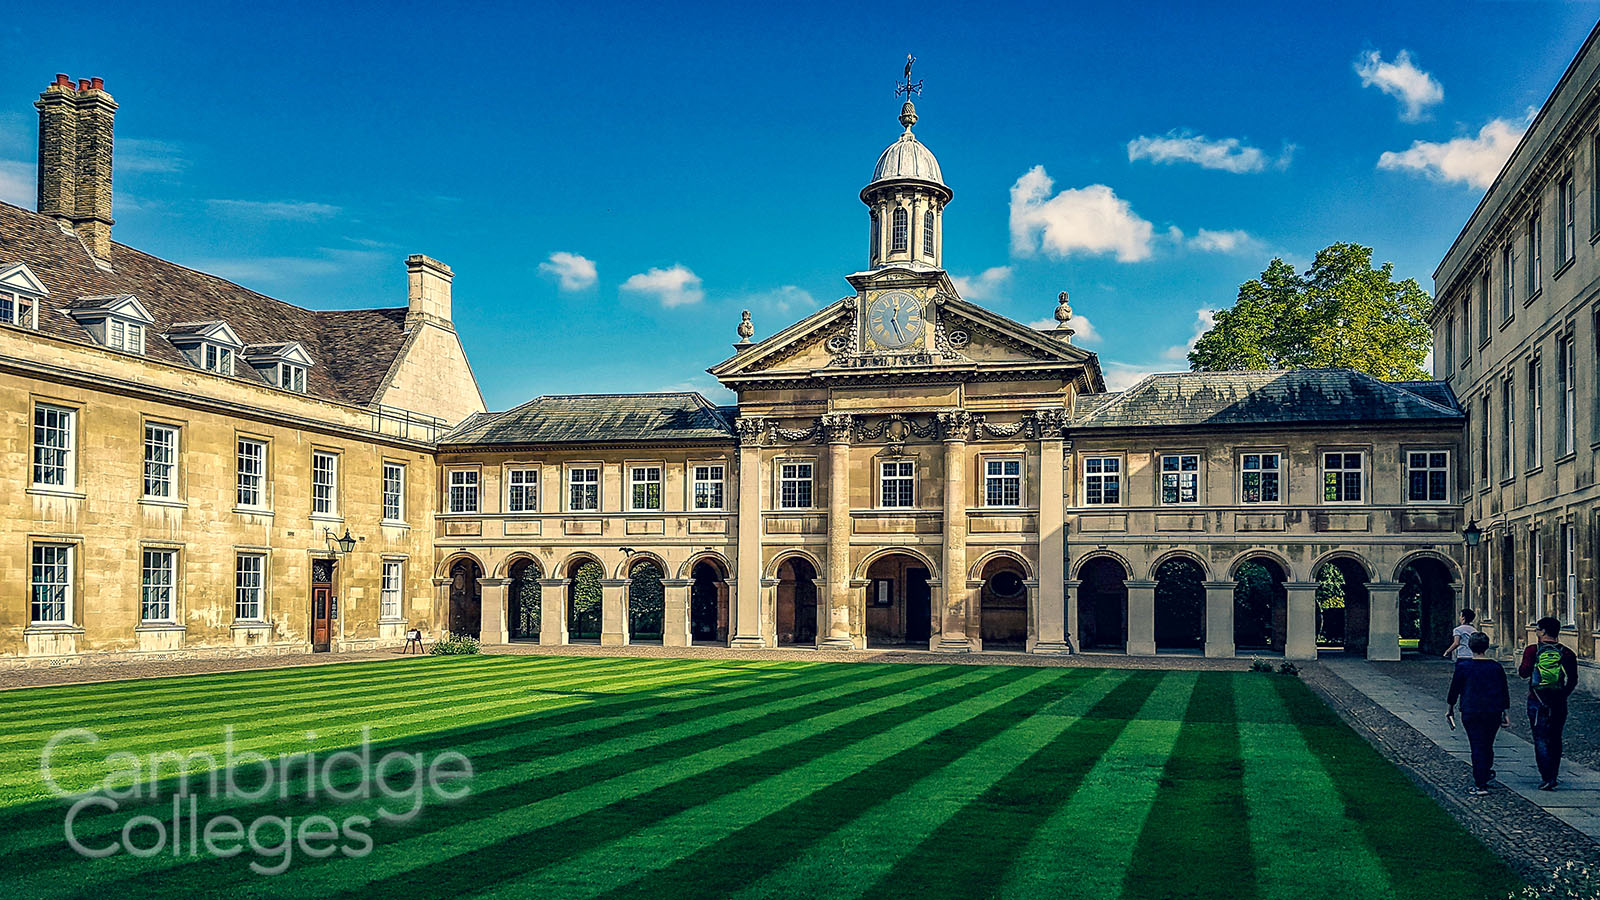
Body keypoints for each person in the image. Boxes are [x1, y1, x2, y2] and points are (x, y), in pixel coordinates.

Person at [1518, 616, 1579, 790]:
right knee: (1555, 737)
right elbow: (1573, 679)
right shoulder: (1567, 653)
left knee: (1540, 738)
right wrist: (1563, 695)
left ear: (1543, 631)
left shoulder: (1532, 650)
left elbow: (1523, 673)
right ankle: (1553, 774)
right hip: (1558, 701)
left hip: (1536, 699)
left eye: (1538, 629)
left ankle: (1546, 776)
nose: (1537, 632)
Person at [1446, 631, 1510, 795]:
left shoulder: (1464, 667)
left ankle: (1480, 781)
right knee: (1487, 744)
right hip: (1492, 711)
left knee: (1477, 744)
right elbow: (1503, 690)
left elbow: (1455, 689)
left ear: (1469, 646)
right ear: (1486, 647)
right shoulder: (1496, 667)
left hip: (1471, 710)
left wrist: (1450, 708)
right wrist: (1505, 712)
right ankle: (1485, 773)